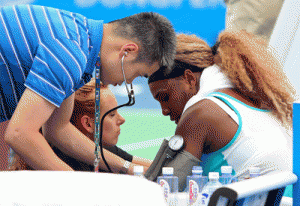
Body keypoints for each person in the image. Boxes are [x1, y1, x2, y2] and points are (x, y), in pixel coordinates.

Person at [0, 4, 176, 173]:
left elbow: (58, 129)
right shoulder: (69, 54)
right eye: (138, 74)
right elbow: (19, 134)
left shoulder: (80, 38)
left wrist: (127, 167)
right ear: (127, 51)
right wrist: (81, 189)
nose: (128, 82)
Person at [148, 30, 294, 191]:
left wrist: (121, 165)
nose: (164, 110)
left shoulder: (200, 114)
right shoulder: (252, 97)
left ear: (189, 79)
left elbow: (163, 189)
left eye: (165, 97)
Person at [9, 78, 152, 172]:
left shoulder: (104, 150)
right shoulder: (68, 163)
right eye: (112, 114)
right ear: (88, 124)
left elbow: (151, 167)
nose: (122, 120)